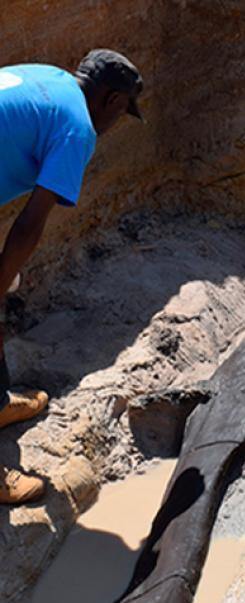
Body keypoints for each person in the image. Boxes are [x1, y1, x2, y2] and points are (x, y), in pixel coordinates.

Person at [0, 50, 144, 506]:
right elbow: (29, 225)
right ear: (112, 99)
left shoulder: (50, 78)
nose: (118, 122)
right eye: (123, 111)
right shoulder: (77, 127)